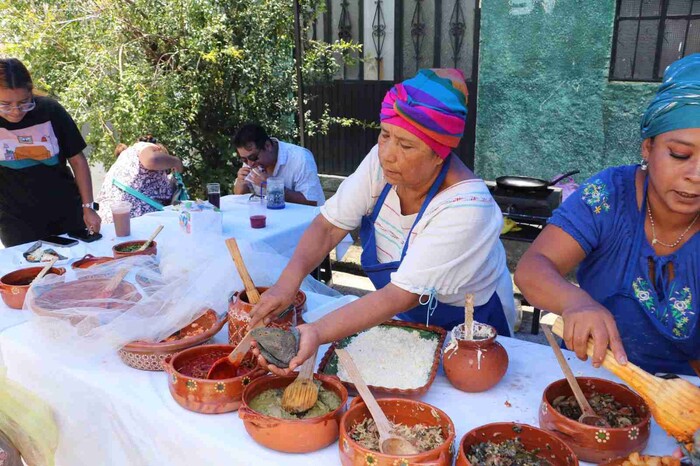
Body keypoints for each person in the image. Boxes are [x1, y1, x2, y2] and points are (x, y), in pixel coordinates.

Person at [249, 68, 516, 374]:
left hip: (470, 326)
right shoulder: (382, 164)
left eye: (406, 145)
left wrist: (316, 332)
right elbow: (329, 226)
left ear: (440, 155)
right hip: (410, 313)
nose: (388, 154)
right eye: (385, 134)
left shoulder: (466, 208)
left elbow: (398, 296)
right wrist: (286, 283)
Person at [515, 54, 700, 376]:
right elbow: (533, 269)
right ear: (648, 148)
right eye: (680, 154)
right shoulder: (609, 196)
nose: (696, 174)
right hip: (594, 375)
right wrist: (576, 303)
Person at [0, 58, 101, 247]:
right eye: (5, 104)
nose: (15, 111)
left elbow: (77, 160)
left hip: (67, 211)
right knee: (31, 273)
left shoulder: (49, 110)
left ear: (31, 92)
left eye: (23, 103)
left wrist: (88, 208)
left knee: (81, 267)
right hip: (16, 221)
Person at [232, 123, 325, 206]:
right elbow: (239, 197)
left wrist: (273, 187)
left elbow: (311, 202)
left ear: (268, 146)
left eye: (253, 157)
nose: (250, 164)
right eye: (243, 159)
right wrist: (241, 183)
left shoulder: (300, 157)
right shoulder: (250, 161)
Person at [98, 135, 184, 223]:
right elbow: (152, 159)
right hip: (136, 222)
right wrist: (175, 161)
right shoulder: (143, 146)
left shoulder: (125, 164)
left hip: (109, 221)